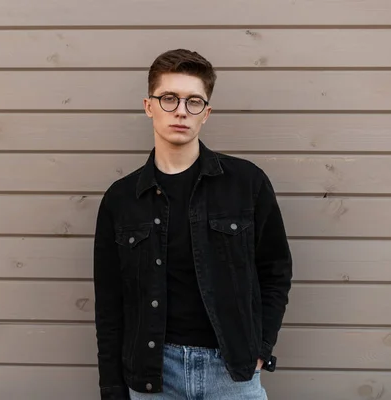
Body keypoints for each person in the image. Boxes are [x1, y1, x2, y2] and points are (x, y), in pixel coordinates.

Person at [93, 48, 292, 400]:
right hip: (154, 374)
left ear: (207, 113)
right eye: (169, 98)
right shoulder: (121, 199)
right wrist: (111, 387)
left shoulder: (247, 183)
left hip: (231, 371)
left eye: (193, 102)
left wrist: (261, 345)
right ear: (148, 106)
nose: (181, 111)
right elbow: (110, 304)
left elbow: (275, 270)